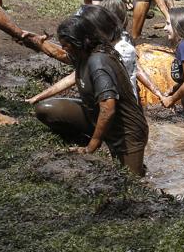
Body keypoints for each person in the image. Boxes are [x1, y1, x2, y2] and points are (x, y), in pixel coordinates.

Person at [35, 15, 148, 175]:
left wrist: (92, 145)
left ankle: (137, 166)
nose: (64, 49)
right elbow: (58, 53)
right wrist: (31, 40)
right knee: (46, 109)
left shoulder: (98, 62)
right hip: (94, 116)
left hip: (125, 132)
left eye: (66, 45)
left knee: (130, 180)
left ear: (80, 42)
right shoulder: (82, 54)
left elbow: (108, 108)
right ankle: (86, 136)